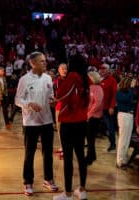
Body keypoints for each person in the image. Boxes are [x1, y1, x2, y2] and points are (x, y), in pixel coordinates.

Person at [15, 51, 58, 196]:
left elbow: (50, 96)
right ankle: (28, 182)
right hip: (30, 122)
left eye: (45, 61)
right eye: (41, 61)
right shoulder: (24, 79)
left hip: (47, 120)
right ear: (32, 63)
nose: (45, 63)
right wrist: (29, 104)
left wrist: (52, 101)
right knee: (29, 153)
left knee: (48, 153)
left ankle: (48, 179)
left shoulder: (47, 78)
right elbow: (17, 100)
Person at [53, 54, 89, 200]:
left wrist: (55, 96)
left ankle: (67, 193)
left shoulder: (72, 76)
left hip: (69, 122)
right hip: (82, 122)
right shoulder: (87, 78)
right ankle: (82, 190)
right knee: (81, 157)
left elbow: (61, 94)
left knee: (68, 158)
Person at [115, 77, 136, 169]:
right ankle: (119, 161)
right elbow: (128, 99)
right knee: (123, 139)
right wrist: (132, 88)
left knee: (127, 139)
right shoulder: (119, 92)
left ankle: (124, 159)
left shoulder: (127, 92)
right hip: (124, 116)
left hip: (129, 116)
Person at [85, 71, 103, 165]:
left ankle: (89, 158)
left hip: (93, 117)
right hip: (91, 116)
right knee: (90, 138)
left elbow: (98, 103)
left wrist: (89, 114)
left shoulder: (97, 88)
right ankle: (92, 155)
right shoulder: (92, 87)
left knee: (90, 138)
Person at [99, 63, 117, 152]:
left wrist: (112, 107)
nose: (102, 70)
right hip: (98, 108)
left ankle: (113, 144)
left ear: (108, 70)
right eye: (101, 69)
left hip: (106, 108)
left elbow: (114, 94)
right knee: (91, 126)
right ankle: (90, 142)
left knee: (110, 127)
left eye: (104, 69)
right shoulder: (98, 79)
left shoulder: (112, 80)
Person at [54, 63, 68, 156]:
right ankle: (63, 146)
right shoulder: (56, 81)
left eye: (65, 68)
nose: (64, 70)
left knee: (66, 129)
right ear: (58, 70)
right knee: (59, 128)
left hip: (68, 107)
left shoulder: (71, 80)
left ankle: (66, 149)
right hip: (59, 107)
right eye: (62, 68)